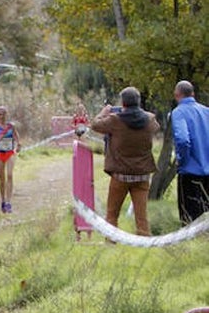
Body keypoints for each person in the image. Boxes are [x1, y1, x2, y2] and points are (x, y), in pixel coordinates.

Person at [89, 86, 160, 237]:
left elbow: (94, 124)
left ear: (123, 103)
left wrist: (104, 112)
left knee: (112, 214)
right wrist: (140, 112)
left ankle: (111, 242)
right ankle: (144, 242)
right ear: (139, 102)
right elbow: (156, 126)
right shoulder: (149, 119)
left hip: (120, 175)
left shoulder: (115, 120)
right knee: (142, 217)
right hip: (142, 175)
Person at [171, 80, 209, 225]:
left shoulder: (179, 112)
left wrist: (182, 160)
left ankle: (191, 246)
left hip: (191, 171)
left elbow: (182, 140)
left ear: (177, 94)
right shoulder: (206, 111)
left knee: (190, 219)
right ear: (193, 93)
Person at [0, 105, 21, 214]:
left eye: (4, 114)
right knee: (2, 179)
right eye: (0, 114)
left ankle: (8, 202)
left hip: (10, 153)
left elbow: (16, 136)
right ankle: (2, 200)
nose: (2, 116)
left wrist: (19, 144)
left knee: (10, 175)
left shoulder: (11, 126)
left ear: (7, 114)